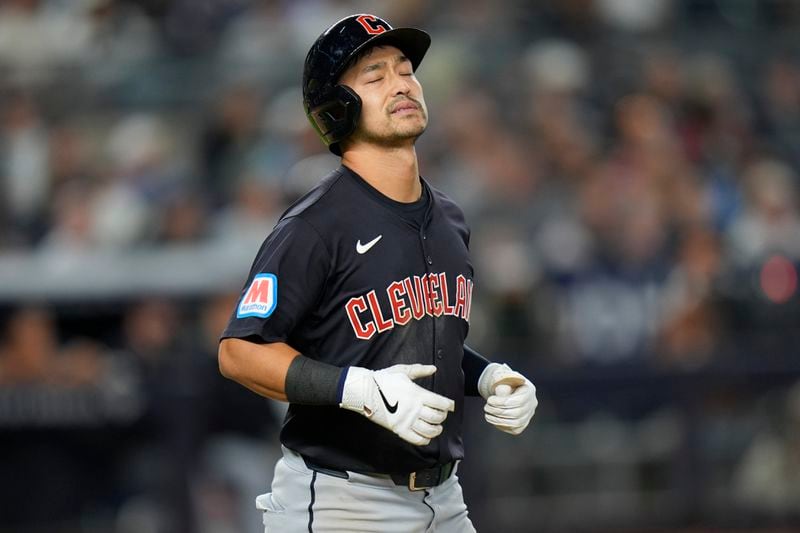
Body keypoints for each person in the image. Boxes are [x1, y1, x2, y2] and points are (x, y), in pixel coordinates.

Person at [218, 13, 538, 533]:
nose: (402, 84)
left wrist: (487, 376)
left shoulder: (449, 218)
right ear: (336, 109)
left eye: (405, 70)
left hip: (445, 497)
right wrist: (358, 390)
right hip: (345, 500)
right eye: (375, 76)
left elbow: (417, 337)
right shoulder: (315, 225)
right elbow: (239, 352)